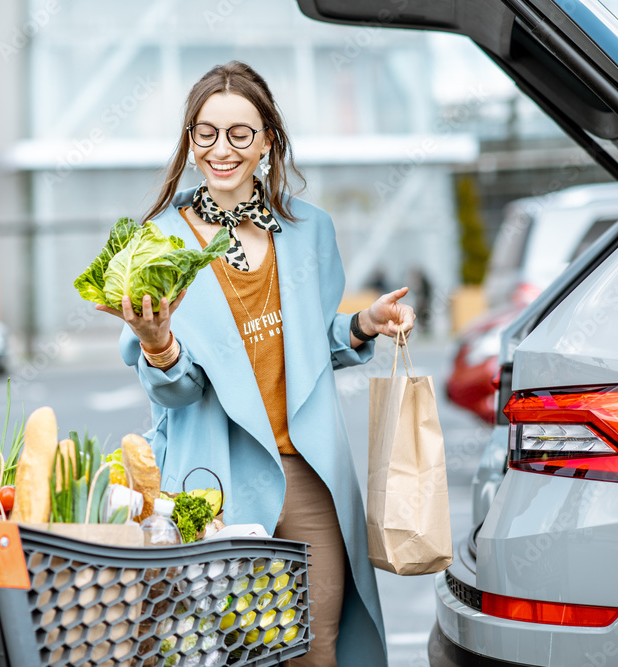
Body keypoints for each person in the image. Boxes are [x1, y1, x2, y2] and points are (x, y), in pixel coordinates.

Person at [95, 61, 415, 666]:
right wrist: (159, 345)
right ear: (190, 143)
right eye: (206, 132)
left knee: (315, 651)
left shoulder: (309, 231)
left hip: (309, 473)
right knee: (226, 655)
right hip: (213, 481)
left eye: (240, 132)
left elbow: (305, 344)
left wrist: (362, 325)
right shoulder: (155, 244)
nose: (223, 148)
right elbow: (176, 391)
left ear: (267, 140)